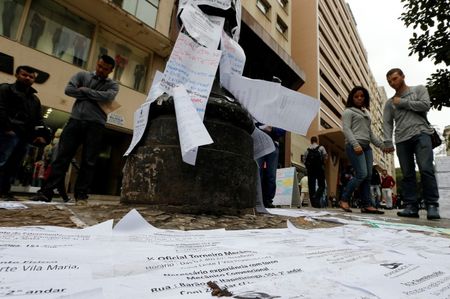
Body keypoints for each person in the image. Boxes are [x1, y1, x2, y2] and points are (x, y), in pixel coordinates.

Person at [31, 55, 119, 204]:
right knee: (61, 158)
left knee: (89, 161)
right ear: (97, 63)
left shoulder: (113, 85)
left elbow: (108, 97)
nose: (100, 70)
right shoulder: (82, 75)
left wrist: (85, 91)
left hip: (96, 125)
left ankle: (81, 195)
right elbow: (69, 90)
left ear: (110, 70)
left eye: (105, 69)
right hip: (75, 121)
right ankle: (46, 193)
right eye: (99, 66)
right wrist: (95, 95)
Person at [383, 68, 440, 220]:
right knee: (407, 175)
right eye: (389, 81)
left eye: (395, 79)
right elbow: (387, 124)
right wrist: (388, 141)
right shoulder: (389, 103)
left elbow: (425, 105)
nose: (392, 83)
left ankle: (432, 205)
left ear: (403, 76)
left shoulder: (419, 89)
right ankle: (410, 206)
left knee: (426, 169)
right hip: (401, 140)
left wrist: (402, 102)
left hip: (421, 134)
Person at [0, 66, 48, 200]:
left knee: (14, 165)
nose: (27, 78)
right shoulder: (5, 89)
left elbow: (38, 119)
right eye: (24, 75)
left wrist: (40, 135)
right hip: (6, 133)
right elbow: (1, 109)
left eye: (31, 76)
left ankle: (4, 191)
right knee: (1, 161)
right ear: (16, 75)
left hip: (24, 137)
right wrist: (7, 128)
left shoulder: (35, 100)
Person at [340, 86, 385, 214]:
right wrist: (355, 144)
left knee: (368, 176)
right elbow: (346, 129)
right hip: (355, 145)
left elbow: (370, 134)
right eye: (356, 96)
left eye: (362, 96)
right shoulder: (348, 111)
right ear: (352, 98)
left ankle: (366, 205)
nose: (359, 98)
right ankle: (344, 199)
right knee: (361, 174)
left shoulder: (366, 113)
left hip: (366, 147)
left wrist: (382, 146)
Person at [256, 124, 285, 208]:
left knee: (271, 174)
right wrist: (260, 127)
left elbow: (282, 131)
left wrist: (272, 128)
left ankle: (268, 200)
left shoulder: (278, 117)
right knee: (257, 172)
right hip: (259, 143)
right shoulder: (258, 114)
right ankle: (257, 198)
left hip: (273, 145)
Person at [303, 136, 327, 208]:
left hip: (310, 170)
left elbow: (304, 160)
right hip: (319, 169)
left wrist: (308, 167)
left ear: (311, 141)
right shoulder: (321, 148)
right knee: (322, 185)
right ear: (317, 141)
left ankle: (314, 203)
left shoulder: (307, 150)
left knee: (311, 186)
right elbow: (325, 157)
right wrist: (323, 164)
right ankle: (316, 197)